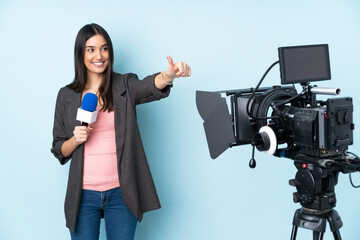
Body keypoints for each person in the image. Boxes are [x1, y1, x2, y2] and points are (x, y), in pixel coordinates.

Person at [51, 23, 191, 240]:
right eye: (91, 49)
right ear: (80, 53)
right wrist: (75, 140)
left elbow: (148, 86)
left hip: (121, 192)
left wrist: (168, 75)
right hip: (82, 196)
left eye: (104, 48)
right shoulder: (66, 95)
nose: (99, 55)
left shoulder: (124, 84)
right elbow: (59, 147)